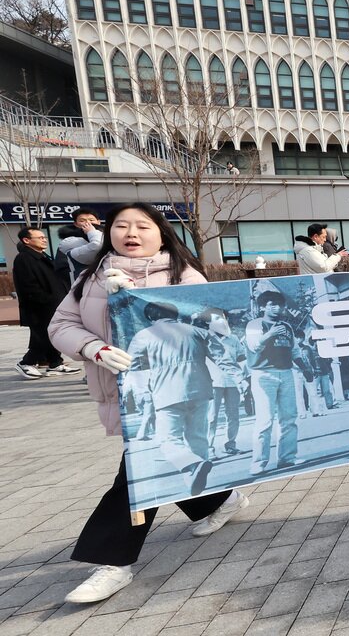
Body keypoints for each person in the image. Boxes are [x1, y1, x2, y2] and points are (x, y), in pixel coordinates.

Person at [48, 203, 248, 604]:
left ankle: (112, 562)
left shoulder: (183, 274)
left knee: (141, 471)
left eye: (142, 225)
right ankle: (223, 498)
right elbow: (61, 325)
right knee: (164, 460)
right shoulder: (91, 278)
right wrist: (93, 347)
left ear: (161, 233)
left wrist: (139, 301)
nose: (131, 232)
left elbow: (211, 324)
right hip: (127, 393)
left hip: (180, 390)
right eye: (121, 225)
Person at [125, 302, 218, 493]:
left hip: (167, 392)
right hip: (200, 388)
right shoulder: (196, 331)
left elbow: (130, 363)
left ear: (150, 317)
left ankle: (193, 464)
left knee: (167, 439)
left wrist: (142, 382)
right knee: (198, 436)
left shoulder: (144, 335)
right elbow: (219, 354)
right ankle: (194, 479)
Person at [245, 291, 301, 475]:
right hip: (263, 373)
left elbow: (295, 350)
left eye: (280, 304)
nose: (277, 307)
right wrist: (270, 333)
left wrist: (306, 368)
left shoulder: (287, 326)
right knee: (265, 419)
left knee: (289, 417)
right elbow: (254, 346)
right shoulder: (255, 324)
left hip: (285, 372)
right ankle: (258, 462)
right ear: (263, 307)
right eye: (272, 304)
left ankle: (287, 458)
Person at [13, 227, 81, 378]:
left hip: (52, 303)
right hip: (40, 307)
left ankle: (55, 363)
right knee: (44, 336)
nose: (44, 239)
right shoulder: (24, 258)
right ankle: (26, 363)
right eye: (40, 237)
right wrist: (46, 300)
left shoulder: (41, 256)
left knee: (50, 334)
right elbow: (28, 285)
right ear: (26, 240)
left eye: (44, 237)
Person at [197, 307, 248, 458]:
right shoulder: (203, 338)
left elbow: (241, 358)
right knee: (211, 417)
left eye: (224, 318)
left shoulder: (233, 339)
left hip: (232, 382)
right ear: (208, 322)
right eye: (217, 318)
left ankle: (230, 445)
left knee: (233, 415)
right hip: (212, 382)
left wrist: (243, 377)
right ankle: (208, 449)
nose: (222, 321)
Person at [57, 208, 103, 279]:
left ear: (99, 222)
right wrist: (91, 232)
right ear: (75, 224)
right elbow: (97, 246)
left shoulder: (108, 236)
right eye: (82, 221)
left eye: (91, 220)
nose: (88, 223)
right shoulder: (70, 241)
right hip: (84, 281)